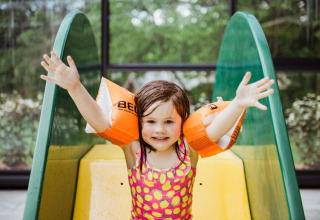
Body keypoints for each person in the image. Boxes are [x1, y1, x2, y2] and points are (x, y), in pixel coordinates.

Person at [41, 51, 274, 219]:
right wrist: (75, 88)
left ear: (183, 121)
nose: (160, 129)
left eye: (169, 121)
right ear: (139, 121)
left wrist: (238, 104)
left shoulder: (188, 149)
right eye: (150, 121)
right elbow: (100, 121)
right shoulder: (134, 150)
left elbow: (215, 130)